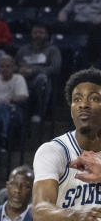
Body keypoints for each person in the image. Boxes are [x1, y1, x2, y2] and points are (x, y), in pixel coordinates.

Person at [32, 68, 101, 220]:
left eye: (94, 98)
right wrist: (75, 216)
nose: (83, 105)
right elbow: (40, 209)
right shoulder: (54, 150)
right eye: (77, 99)